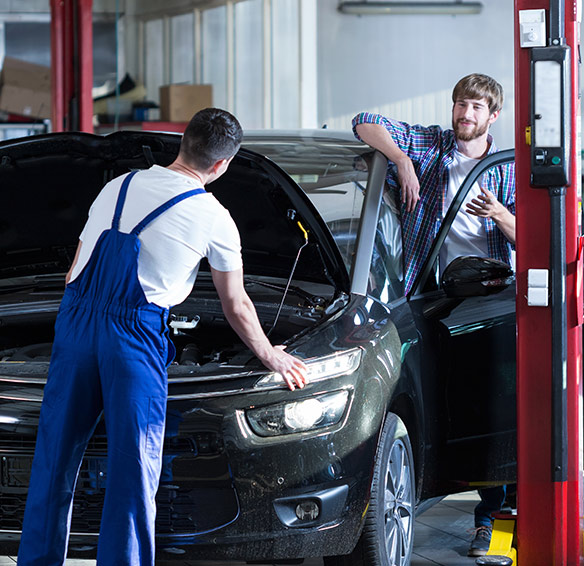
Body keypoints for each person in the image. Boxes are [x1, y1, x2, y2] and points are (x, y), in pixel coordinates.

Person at [17, 107, 307, 566]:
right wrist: (271, 355)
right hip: (132, 336)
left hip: (74, 323)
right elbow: (236, 305)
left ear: (182, 142)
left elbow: (76, 266)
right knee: (132, 468)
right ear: (221, 166)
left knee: (54, 458)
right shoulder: (214, 216)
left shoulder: (119, 185)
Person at [351, 73, 515, 557]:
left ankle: (490, 516)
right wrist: (401, 161)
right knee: (434, 398)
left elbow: (535, 243)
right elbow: (365, 122)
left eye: (476, 109)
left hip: (483, 303)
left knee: (486, 404)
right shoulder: (433, 146)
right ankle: (421, 486)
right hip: (426, 296)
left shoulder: (506, 169)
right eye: (461, 105)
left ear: (493, 117)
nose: (465, 115)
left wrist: (500, 216)